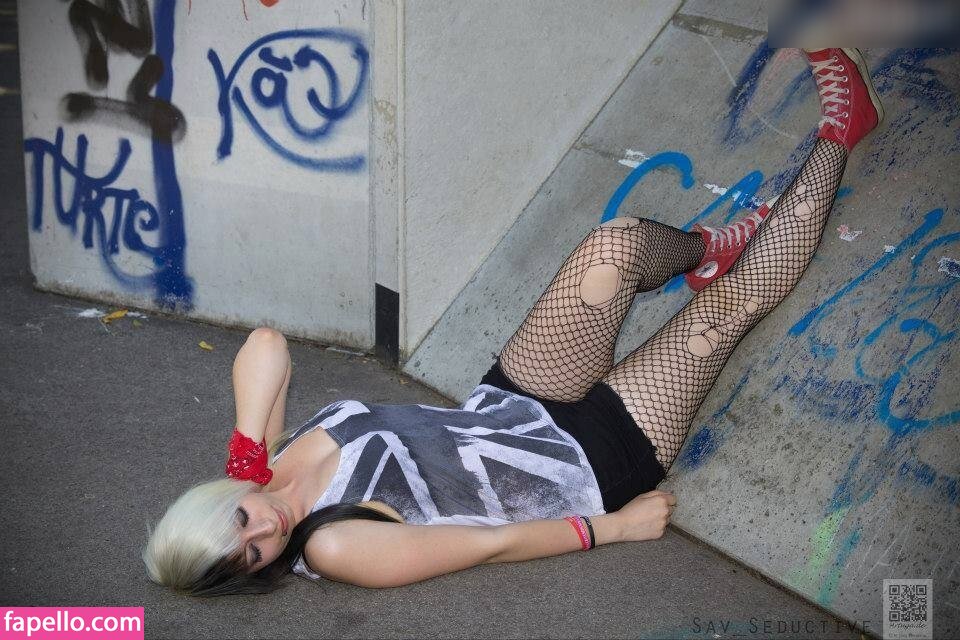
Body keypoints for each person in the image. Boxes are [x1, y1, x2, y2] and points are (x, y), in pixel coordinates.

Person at [143, 48, 883, 595]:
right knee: (725, 312)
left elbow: (267, 346)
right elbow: (488, 544)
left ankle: (706, 249)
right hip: (587, 465)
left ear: (219, 499)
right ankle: (843, 130)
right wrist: (612, 528)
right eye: (251, 558)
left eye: (239, 523)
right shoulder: (332, 546)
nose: (265, 531)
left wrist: (248, 455)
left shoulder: (263, 466)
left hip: (511, 404)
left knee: (615, 248)